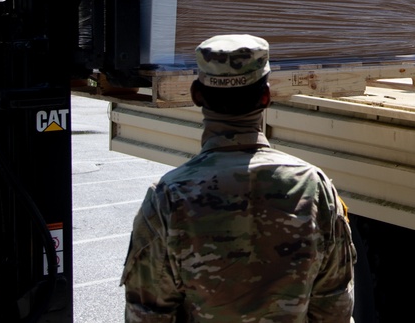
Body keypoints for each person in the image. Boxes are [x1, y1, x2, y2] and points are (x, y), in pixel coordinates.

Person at [121, 34, 356, 322]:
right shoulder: (314, 187)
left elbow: (147, 314)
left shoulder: (168, 197)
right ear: (266, 96)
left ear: (196, 95)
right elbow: (335, 310)